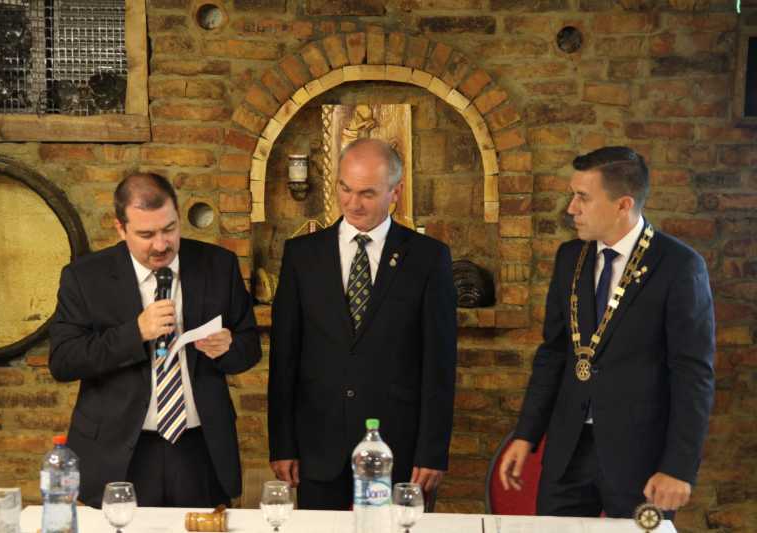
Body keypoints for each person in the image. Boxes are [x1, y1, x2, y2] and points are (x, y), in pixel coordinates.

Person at [498, 146, 715, 518]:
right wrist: (526, 434)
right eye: (573, 195)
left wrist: (679, 468)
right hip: (568, 451)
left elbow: (693, 374)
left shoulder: (679, 266)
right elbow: (554, 353)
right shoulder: (570, 257)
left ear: (622, 205)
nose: (571, 208)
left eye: (583, 197)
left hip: (640, 458)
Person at [49, 173, 261, 508]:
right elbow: (63, 360)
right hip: (118, 451)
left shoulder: (219, 265)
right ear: (121, 228)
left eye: (169, 229)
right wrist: (135, 332)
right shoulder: (85, 277)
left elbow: (250, 347)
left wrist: (228, 347)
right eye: (146, 235)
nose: (161, 245)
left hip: (200, 448)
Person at [268, 138, 457, 510]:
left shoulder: (428, 258)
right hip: (319, 451)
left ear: (395, 192)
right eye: (345, 188)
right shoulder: (301, 255)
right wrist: (282, 444)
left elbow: (440, 365)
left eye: (367, 193)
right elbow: (284, 359)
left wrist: (432, 451)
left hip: (399, 452)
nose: (353, 203)